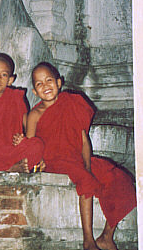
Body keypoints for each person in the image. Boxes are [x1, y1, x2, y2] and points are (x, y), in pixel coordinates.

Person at [13, 61, 136, 250]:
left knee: (120, 178)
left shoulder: (73, 103)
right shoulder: (35, 115)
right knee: (86, 180)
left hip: (76, 158)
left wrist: (86, 165)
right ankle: (88, 240)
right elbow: (32, 146)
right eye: (39, 84)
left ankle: (106, 236)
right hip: (54, 162)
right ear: (35, 92)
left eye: (49, 80)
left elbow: (84, 140)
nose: (45, 86)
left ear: (59, 82)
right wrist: (35, 161)